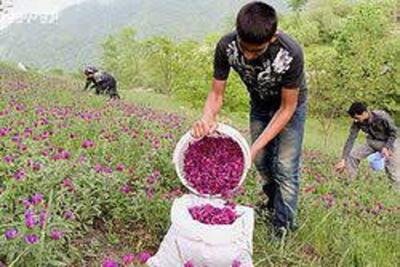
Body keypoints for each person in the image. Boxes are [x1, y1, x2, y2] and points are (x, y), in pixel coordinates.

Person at [191, 1, 307, 240]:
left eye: (256, 51)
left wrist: (253, 147)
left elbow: (287, 109)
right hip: (260, 103)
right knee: (262, 163)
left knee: (285, 167)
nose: (247, 55)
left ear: (273, 37)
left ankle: (283, 228)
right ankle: (273, 203)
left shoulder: (290, 52)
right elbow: (216, 93)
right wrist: (206, 118)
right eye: (245, 48)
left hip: (289, 107)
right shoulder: (226, 46)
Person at [335, 102, 399, 191]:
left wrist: (386, 147)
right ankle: (350, 184)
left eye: (357, 117)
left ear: (364, 113)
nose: (355, 120)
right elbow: (351, 139)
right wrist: (343, 160)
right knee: (352, 156)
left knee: (392, 171)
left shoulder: (382, 116)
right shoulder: (357, 122)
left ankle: (396, 193)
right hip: (372, 142)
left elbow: (394, 133)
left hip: (390, 143)